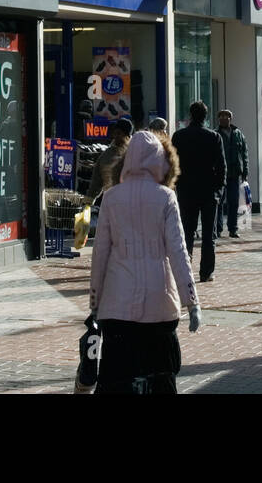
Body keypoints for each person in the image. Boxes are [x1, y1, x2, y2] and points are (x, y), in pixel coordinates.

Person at [89, 130, 201, 393]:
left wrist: (95, 301)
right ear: (160, 161)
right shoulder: (165, 197)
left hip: (116, 306)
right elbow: (178, 251)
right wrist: (191, 301)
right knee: (161, 377)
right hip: (160, 304)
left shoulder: (111, 197)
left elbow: (100, 254)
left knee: (117, 378)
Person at [171, 101, 226, 282]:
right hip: (209, 191)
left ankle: (185, 269)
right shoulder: (213, 137)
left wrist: (176, 184)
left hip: (186, 190)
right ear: (206, 116)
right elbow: (221, 166)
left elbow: (172, 164)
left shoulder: (179, 136)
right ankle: (206, 272)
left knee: (186, 231)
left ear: (190, 115)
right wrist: (219, 188)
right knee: (209, 234)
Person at [215, 109, 249, 239]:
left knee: (233, 202)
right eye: (221, 116)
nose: (224, 118)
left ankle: (233, 229)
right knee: (218, 202)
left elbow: (244, 153)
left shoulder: (238, 133)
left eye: (226, 116)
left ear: (231, 118)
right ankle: (217, 229)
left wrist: (245, 171)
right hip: (219, 174)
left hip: (234, 174)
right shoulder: (215, 133)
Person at [88, 117, 133, 199]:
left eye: (119, 133)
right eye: (115, 133)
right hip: (111, 200)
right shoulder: (107, 155)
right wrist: (89, 200)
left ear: (127, 136)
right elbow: (96, 181)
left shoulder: (135, 153)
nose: (115, 136)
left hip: (132, 201)